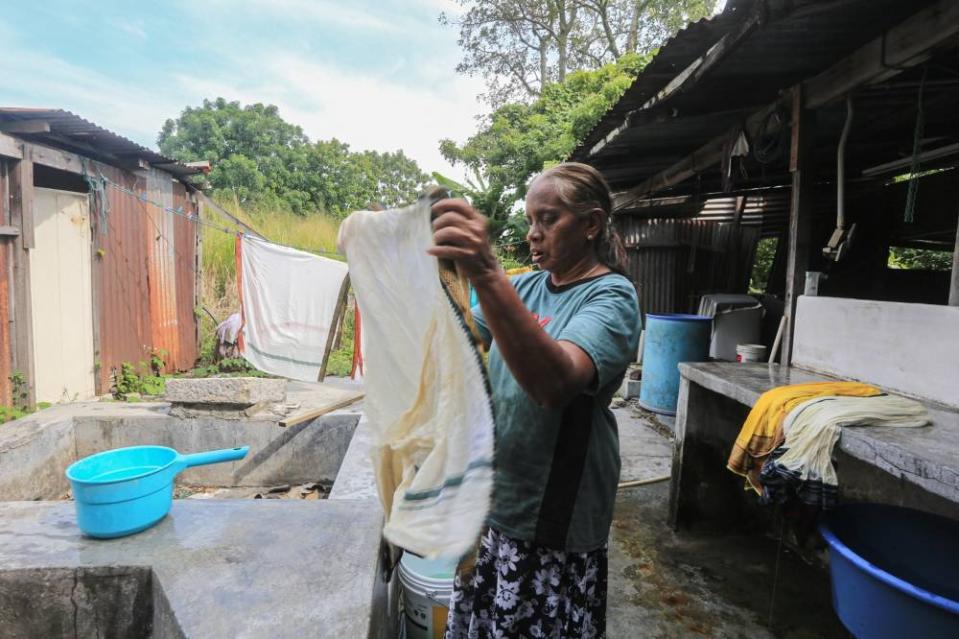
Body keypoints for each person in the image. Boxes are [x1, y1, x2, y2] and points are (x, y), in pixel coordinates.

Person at [429, 162, 642, 638]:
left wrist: (486, 273)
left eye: (548, 220)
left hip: (553, 511)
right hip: (496, 495)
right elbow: (456, 344)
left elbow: (555, 384)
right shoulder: (522, 287)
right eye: (530, 221)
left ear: (590, 224)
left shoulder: (611, 297)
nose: (533, 234)